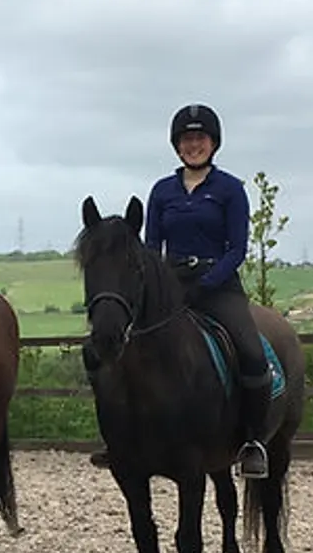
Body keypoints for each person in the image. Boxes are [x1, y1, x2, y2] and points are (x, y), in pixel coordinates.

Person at [90, 103, 272, 478]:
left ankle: (253, 442)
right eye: (187, 140)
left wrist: (207, 282)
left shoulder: (230, 189)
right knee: (112, 350)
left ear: (213, 143)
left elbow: (236, 249)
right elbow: (152, 247)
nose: (193, 145)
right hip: (169, 288)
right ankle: (120, 437)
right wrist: (157, 288)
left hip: (218, 287)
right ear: (177, 145)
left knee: (252, 353)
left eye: (200, 138)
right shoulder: (162, 191)